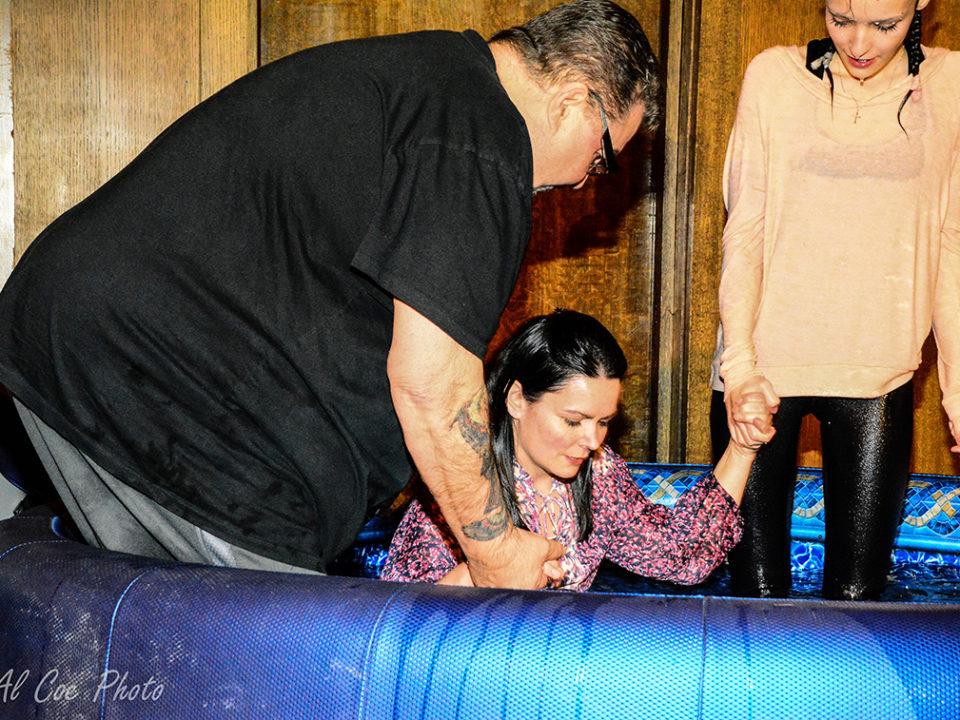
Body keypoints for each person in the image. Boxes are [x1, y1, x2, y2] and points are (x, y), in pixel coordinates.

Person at [0, 1, 662, 587]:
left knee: (155, 652)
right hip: (166, 391)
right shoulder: (481, 137)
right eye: (603, 156)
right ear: (574, 97)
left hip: (89, 347)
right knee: (274, 671)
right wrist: (498, 551)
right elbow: (432, 382)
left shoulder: (432, 84)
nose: (586, 183)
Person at [711, 0, 960, 600]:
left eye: (884, 24)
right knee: (756, 597)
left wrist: (958, 389)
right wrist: (739, 369)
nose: (858, 42)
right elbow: (743, 228)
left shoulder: (951, 84)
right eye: (839, 17)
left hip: (878, 374)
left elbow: (950, 244)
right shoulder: (773, 76)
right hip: (762, 370)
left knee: (858, 601)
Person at [382, 310, 772, 591]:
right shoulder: (461, 488)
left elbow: (679, 553)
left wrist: (742, 447)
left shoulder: (599, 476)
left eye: (603, 422)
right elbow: (404, 628)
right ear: (517, 399)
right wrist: (474, 576)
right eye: (573, 420)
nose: (593, 441)